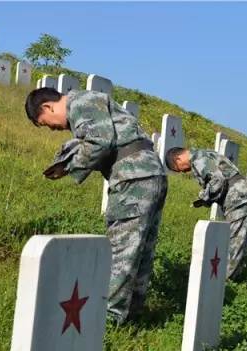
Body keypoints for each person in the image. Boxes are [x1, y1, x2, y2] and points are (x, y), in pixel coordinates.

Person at [26, 87, 167, 325]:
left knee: (121, 251)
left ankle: (108, 320)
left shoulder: (80, 102)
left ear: (47, 107)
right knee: (141, 250)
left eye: (47, 123)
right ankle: (133, 315)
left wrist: (69, 167)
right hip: (151, 173)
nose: (54, 129)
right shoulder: (90, 102)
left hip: (133, 178)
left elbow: (99, 141)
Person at [165, 147, 247, 279]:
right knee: (241, 242)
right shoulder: (204, 153)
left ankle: (224, 281)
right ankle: (233, 278)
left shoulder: (197, 159)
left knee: (234, 243)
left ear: (178, 159)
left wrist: (204, 197)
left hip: (238, 198)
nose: (184, 171)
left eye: (179, 168)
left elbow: (217, 180)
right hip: (245, 195)